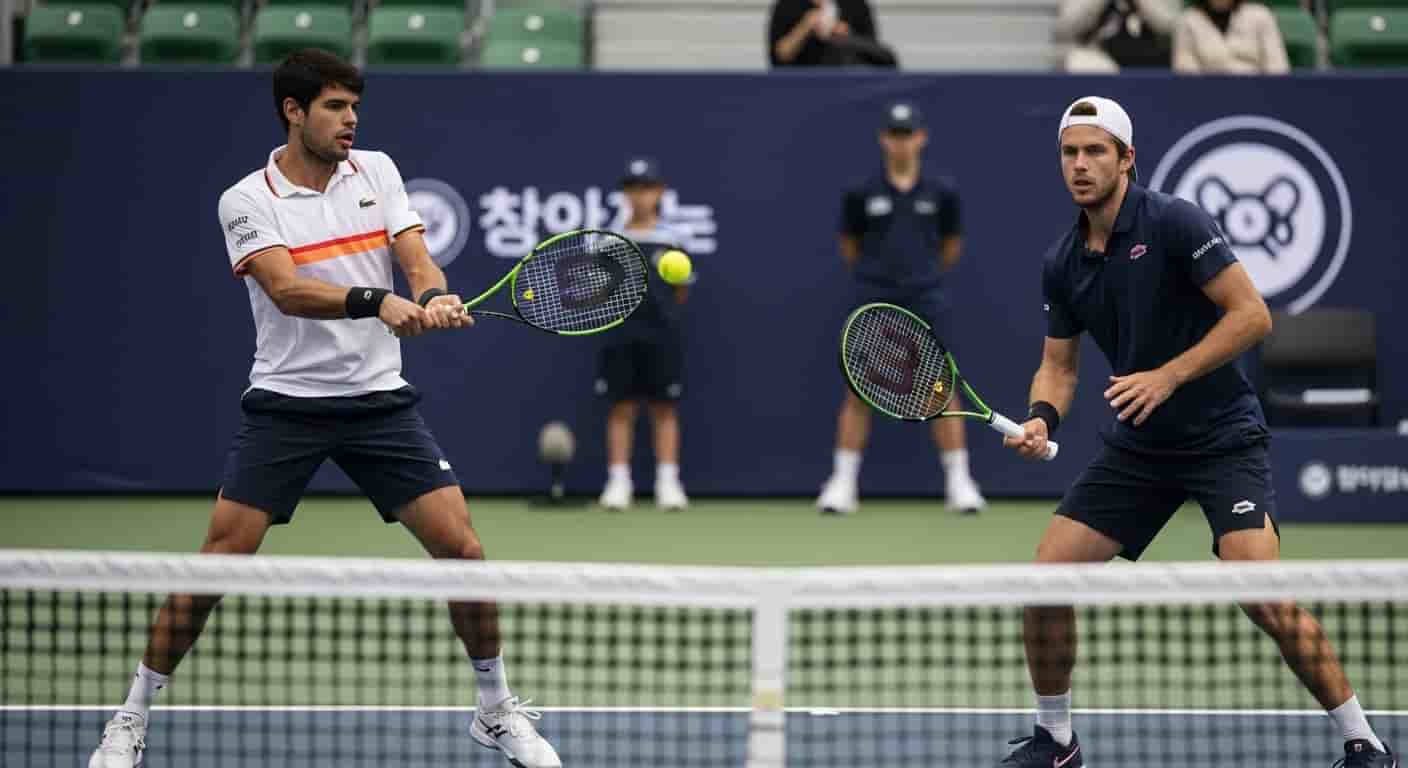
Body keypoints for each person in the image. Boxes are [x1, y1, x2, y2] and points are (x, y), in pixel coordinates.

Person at [86, 49, 560, 768]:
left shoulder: (377, 170)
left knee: (464, 552)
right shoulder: (248, 199)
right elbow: (286, 289)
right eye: (336, 108)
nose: (351, 121)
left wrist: (430, 295)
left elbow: (417, 258)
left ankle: (494, 710)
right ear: (293, 111)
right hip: (288, 405)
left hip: (379, 406)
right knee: (220, 563)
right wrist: (378, 303)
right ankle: (130, 715)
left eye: (354, 108)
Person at [994, 95, 1394, 768]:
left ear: (1127, 159)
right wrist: (1041, 417)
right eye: (1070, 152)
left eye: (1096, 151)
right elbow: (1057, 366)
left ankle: (1365, 741)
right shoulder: (1062, 260)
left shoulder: (1176, 222)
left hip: (1221, 438)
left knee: (1261, 595)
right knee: (1045, 583)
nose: (1081, 164)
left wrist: (1168, 376)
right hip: (1139, 449)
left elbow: (1252, 316)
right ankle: (1056, 742)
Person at [816, 102, 986, 517]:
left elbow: (950, 248)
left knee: (942, 388)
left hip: (927, 298)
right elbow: (850, 247)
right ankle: (842, 484)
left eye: (908, 133)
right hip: (873, 299)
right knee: (859, 390)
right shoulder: (861, 193)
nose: (901, 141)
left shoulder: (942, 192)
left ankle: (960, 483)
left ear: (921, 138)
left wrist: (920, 277)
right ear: (883, 139)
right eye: (894, 134)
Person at [596, 158, 692, 512]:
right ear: (625, 194)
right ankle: (618, 483)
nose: (640, 197)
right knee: (620, 409)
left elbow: (680, 292)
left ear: (660, 192)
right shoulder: (608, 239)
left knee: (664, 409)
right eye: (634, 189)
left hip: (662, 336)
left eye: (648, 188)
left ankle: (668, 483)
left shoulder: (673, 240)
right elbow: (599, 290)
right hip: (620, 336)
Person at [1056, 0, 1179, 72]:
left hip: (1151, 57)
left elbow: (1169, 26)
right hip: (1100, 56)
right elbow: (1066, 28)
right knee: (1081, 62)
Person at [1174, 0, 1290, 74]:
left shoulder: (1261, 15)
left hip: (1257, 93)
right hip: (1207, 95)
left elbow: (1278, 68)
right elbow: (1186, 72)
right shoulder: (1188, 20)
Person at [769, 0, 892, 68]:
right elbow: (779, 56)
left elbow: (874, 53)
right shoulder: (787, 5)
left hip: (846, 82)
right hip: (800, 85)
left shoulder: (856, 5)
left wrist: (847, 36)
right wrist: (805, 27)